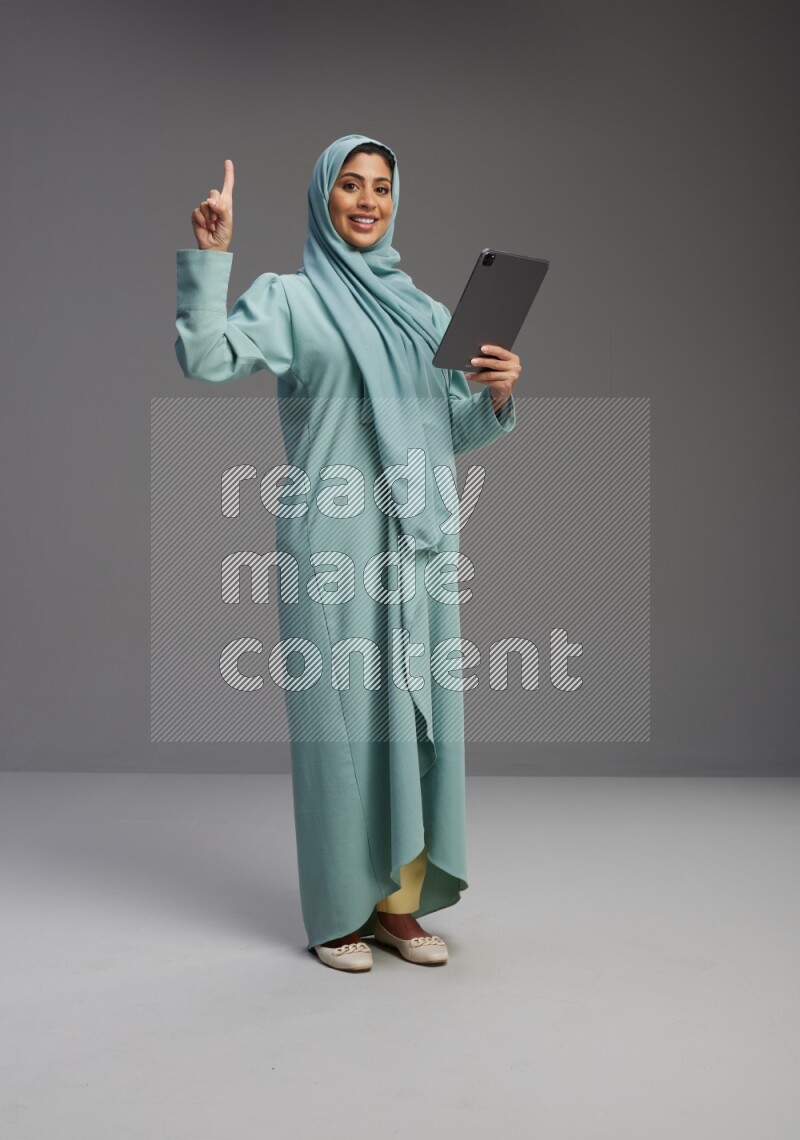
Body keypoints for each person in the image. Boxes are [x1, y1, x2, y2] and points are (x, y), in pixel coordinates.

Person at [175, 133, 521, 972]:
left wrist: (501, 395)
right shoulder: (291, 299)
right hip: (329, 544)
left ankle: (398, 907)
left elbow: (449, 429)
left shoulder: (425, 311)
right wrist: (210, 260)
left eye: (381, 187)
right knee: (337, 732)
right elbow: (206, 357)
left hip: (419, 543)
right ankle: (337, 911)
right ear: (323, 197)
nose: (367, 201)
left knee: (408, 721)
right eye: (350, 186)